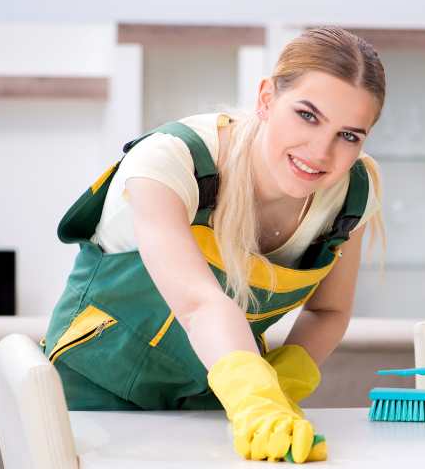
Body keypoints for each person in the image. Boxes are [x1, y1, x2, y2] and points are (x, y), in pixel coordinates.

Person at [41, 26, 387, 463]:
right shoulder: (170, 161)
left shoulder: (351, 195)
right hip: (90, 399)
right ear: (266, 99)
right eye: (307, 115)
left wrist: (276, 390)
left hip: (215, 406)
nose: (321, 152)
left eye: (349, 135)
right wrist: (254, 399)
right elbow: (198, 303)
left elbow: (329, 311)